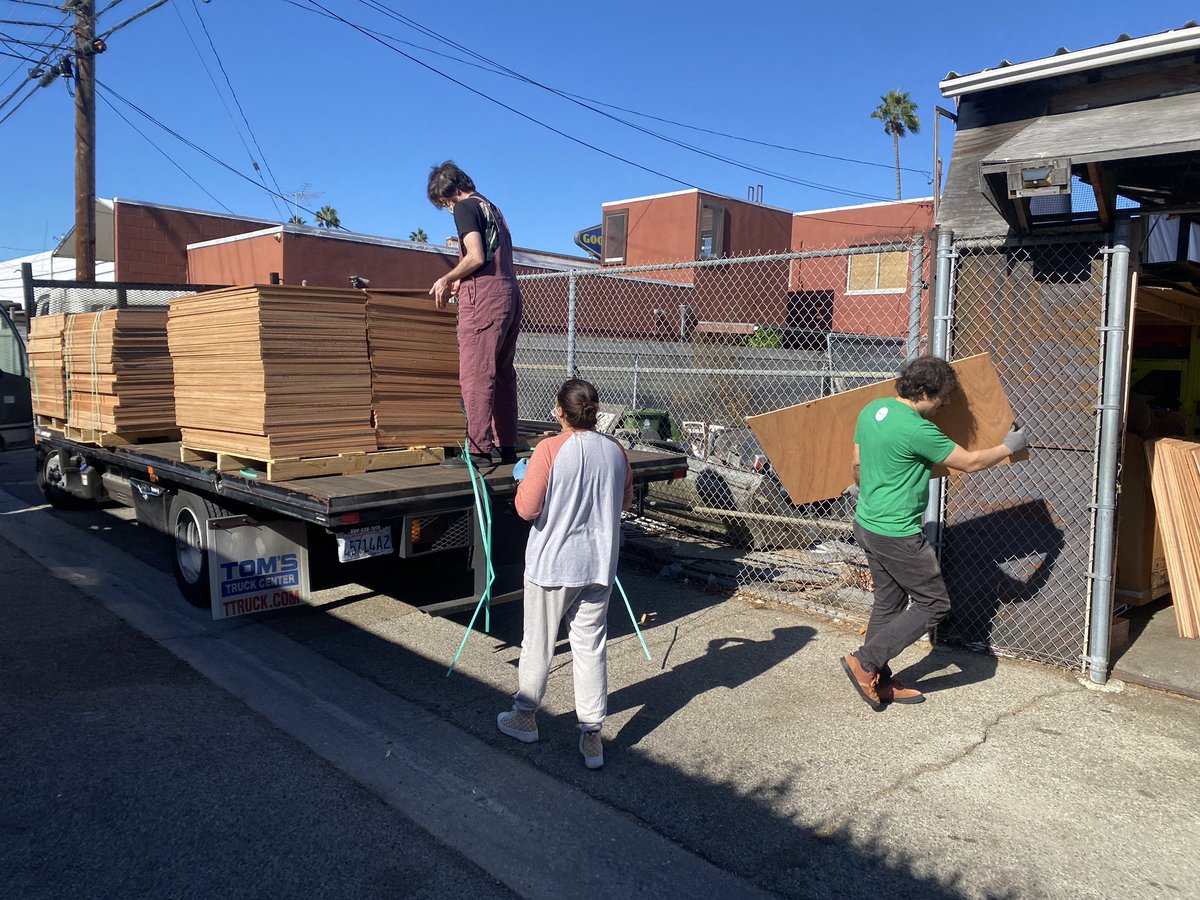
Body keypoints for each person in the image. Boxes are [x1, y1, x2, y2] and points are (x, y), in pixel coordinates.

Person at [841, 355, 1029, 710]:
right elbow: (969, 462)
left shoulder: (873, 410)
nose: (947, 401)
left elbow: (857, 461)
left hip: (866, 523)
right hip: (897, 533)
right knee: (934, 603)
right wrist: (1009, 447)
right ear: (923, 392)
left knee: (889, 602)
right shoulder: (919, 430)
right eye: (943, 395)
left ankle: (877, 676)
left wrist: (864, 488)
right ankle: (865, 662)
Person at [496, 378, 633, 769]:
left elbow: (526, 508)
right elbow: (623, 501)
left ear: (560, 411)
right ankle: (592, 735)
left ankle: (525, 717)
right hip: (598, 564)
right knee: (590, 646)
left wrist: (523, 480)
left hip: (552, 564)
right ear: (595, 411)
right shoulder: (616, 450)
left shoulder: (549, 449)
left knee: (538, 642)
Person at [426, 160, 522, 467]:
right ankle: (507, 446)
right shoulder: (492, 208)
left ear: (453, 191)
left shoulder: (465, 207)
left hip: (484, 300)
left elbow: (476, 255)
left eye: (445, 202)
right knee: (503, 373)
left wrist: (447, 278)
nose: (448, 209)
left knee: (476, 374)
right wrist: (464, 279)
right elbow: (491, 257)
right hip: (509, 294)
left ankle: (479, 450)